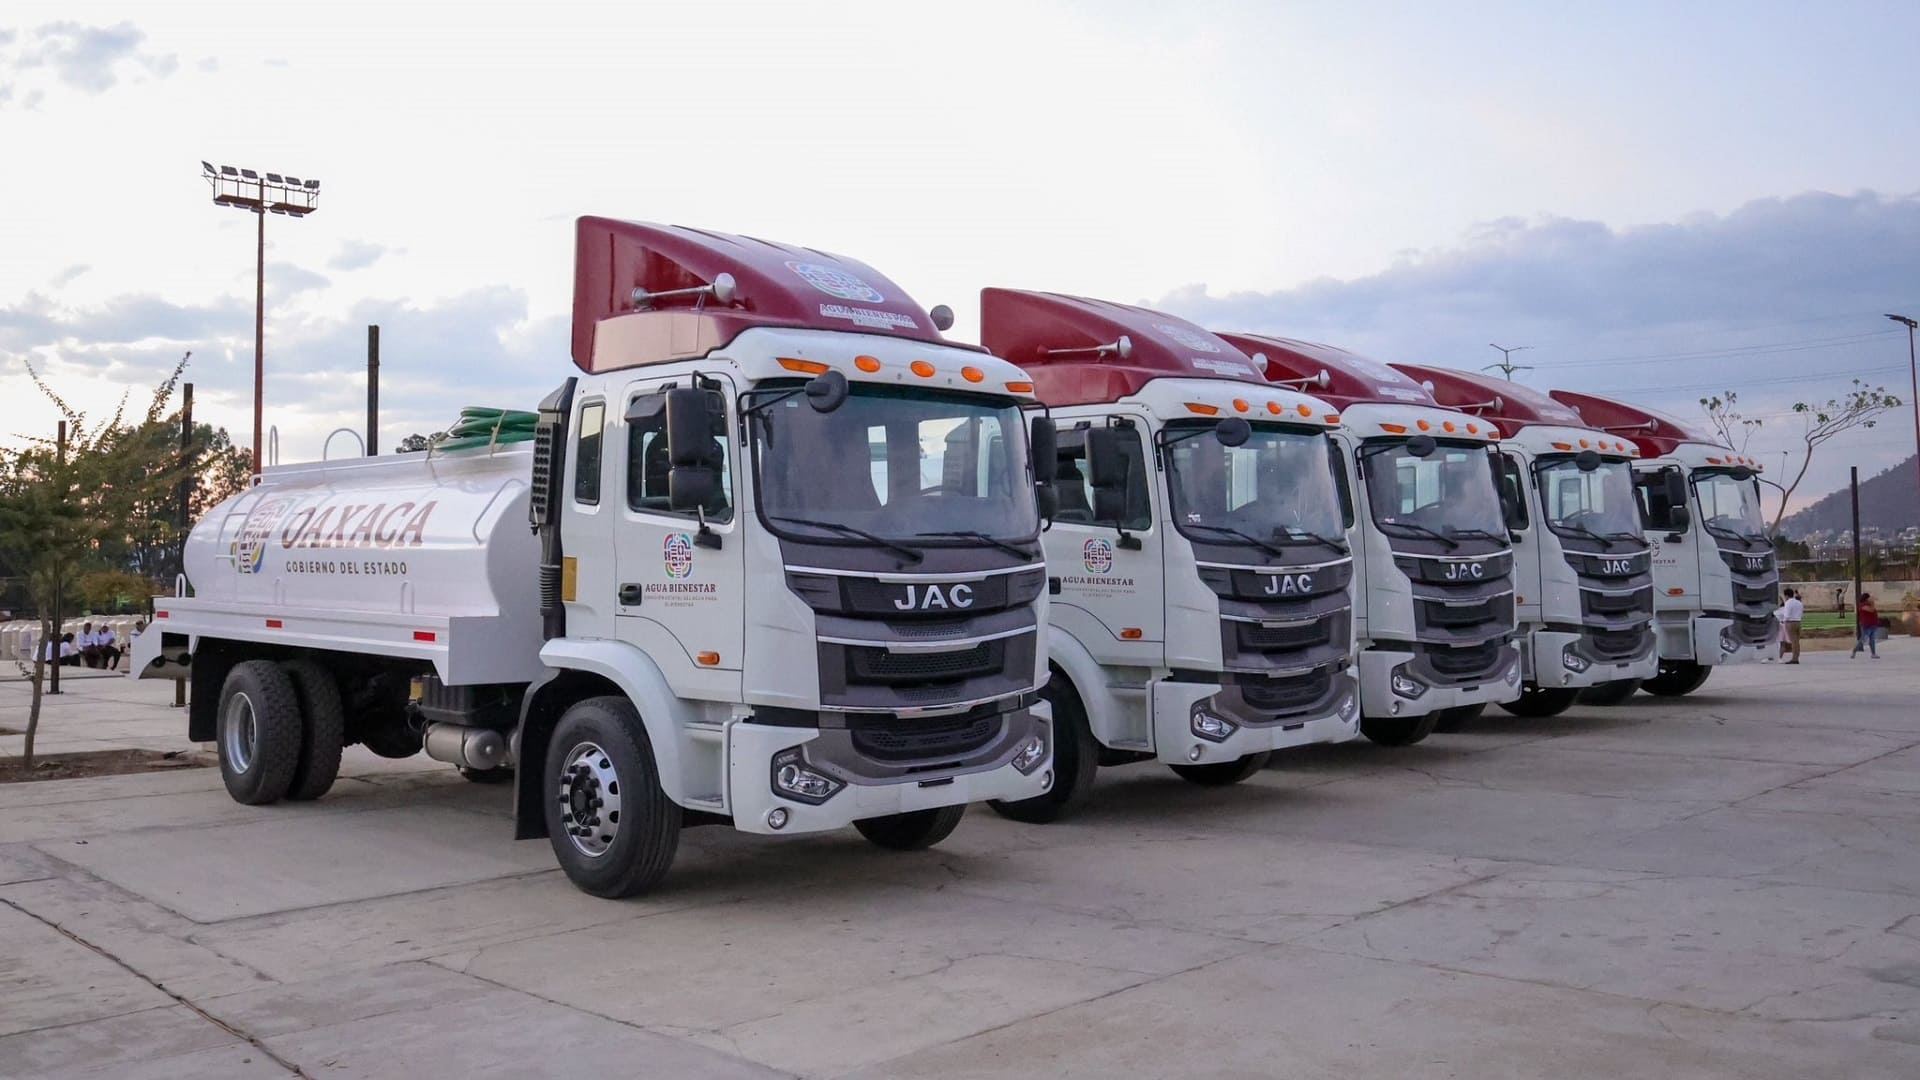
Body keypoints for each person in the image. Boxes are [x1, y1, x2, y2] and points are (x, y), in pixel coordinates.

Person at [1852, 592, 1882, 659]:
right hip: (1866, 625)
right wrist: (1872, 602)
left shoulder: (1868, 604)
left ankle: (1873, 654)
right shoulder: (1862, 605)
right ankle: (1855, 650)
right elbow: (1871, 610)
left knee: (1872, 640)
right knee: (1863, 639)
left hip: (1873, 625)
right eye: (1869, 598)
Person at [1780, 588, 1804, 664]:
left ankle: (1794, 659)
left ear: (1786, 595)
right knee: (1797, 641)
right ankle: (1796, 657)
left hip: (1791, 622)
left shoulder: (1788, 603)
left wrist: (1784, 621)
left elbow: (1787, 614)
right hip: (1798, 622)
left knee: (1793, 641)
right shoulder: (1799, 603)